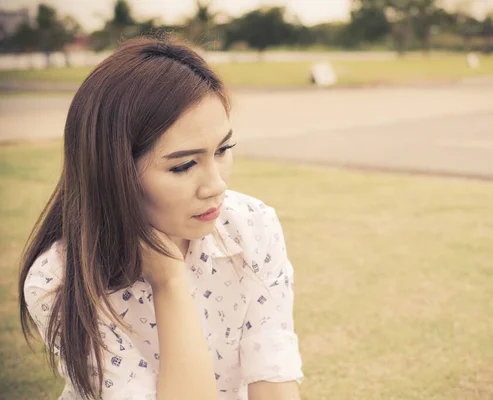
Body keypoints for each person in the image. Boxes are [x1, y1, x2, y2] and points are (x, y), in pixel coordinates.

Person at [18, 36, 304, 400]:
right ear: (112, 171)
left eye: (223, 150)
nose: (216, 186)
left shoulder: (250, 226)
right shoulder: (59, 279)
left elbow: (273, 377)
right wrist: (169, 283)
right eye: (184, 165)